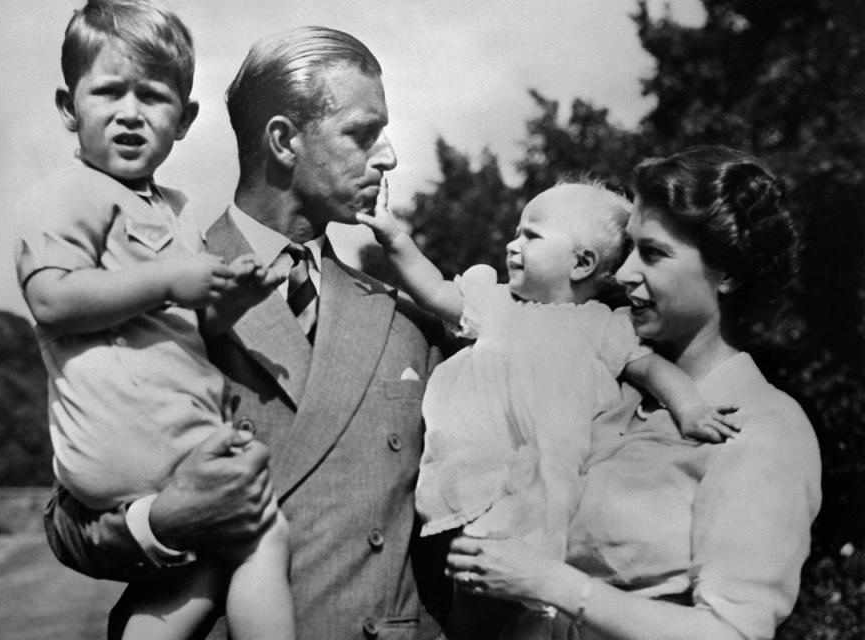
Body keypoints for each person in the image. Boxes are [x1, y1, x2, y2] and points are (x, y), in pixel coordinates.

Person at [41, 24, 448, 640]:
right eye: (363, 134)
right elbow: (67, 520)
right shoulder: (150, 291)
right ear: (283, 141)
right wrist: (165, 521)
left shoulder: (406, 320)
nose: (388, 156)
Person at [445, 146, 822, 640]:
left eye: (654, 253)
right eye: (629, 248)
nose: (622, 274)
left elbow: (732, 632)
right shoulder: (607, 391)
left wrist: (555, 584)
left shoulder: (764, 428)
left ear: (727, 273)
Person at [13, 2, 295, 639]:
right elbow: (52, 300)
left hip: (167, 433)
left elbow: (195, 324)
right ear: (68, 107)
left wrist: (233, 299)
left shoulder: (177, 209)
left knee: (194, 574)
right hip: (129, 436)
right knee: (263, 534)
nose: (130, 112)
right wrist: (168, 278)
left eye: (154, 97)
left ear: (186, 119)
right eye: (108, 91)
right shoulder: (68, 192)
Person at [360, 179, 739, 632]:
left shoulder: (604, 328)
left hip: (546, 499)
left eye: (530, 236)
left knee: (528, 612)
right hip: (474, 486)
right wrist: (394, 237)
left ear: (582, 263)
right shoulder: (497, 303)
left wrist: (691, 407)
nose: (511, 244)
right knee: (469, 606)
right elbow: (435, 291)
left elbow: (653, 371)